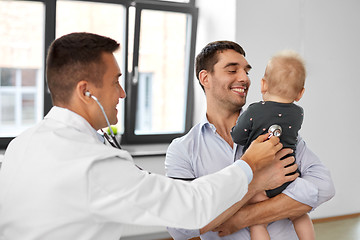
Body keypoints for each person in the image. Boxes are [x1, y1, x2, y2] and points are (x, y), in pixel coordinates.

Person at [0, 33, 295, 240]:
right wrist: (250, 168)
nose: (122, 93)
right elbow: (187, 210)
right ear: (85, 91)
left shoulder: (20, 146)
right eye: (115, 81)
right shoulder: (91, 163)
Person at [165, 41, 335, 239]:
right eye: (232, 71)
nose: (244, 78)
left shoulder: (275, 132)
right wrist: (256, 185)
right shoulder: (183, 150)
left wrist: (241, 218)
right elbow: (179, 227)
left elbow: (324, 186)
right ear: (205, 78)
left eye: (247, 71)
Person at [230, 50, 314, 240]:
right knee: (300, 214)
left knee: (257, 220)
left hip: (261, 179)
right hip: (290, 175)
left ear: (263, 84)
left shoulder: (254, 111)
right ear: (300, 93)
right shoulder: (298, 113)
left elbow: (238, 137)